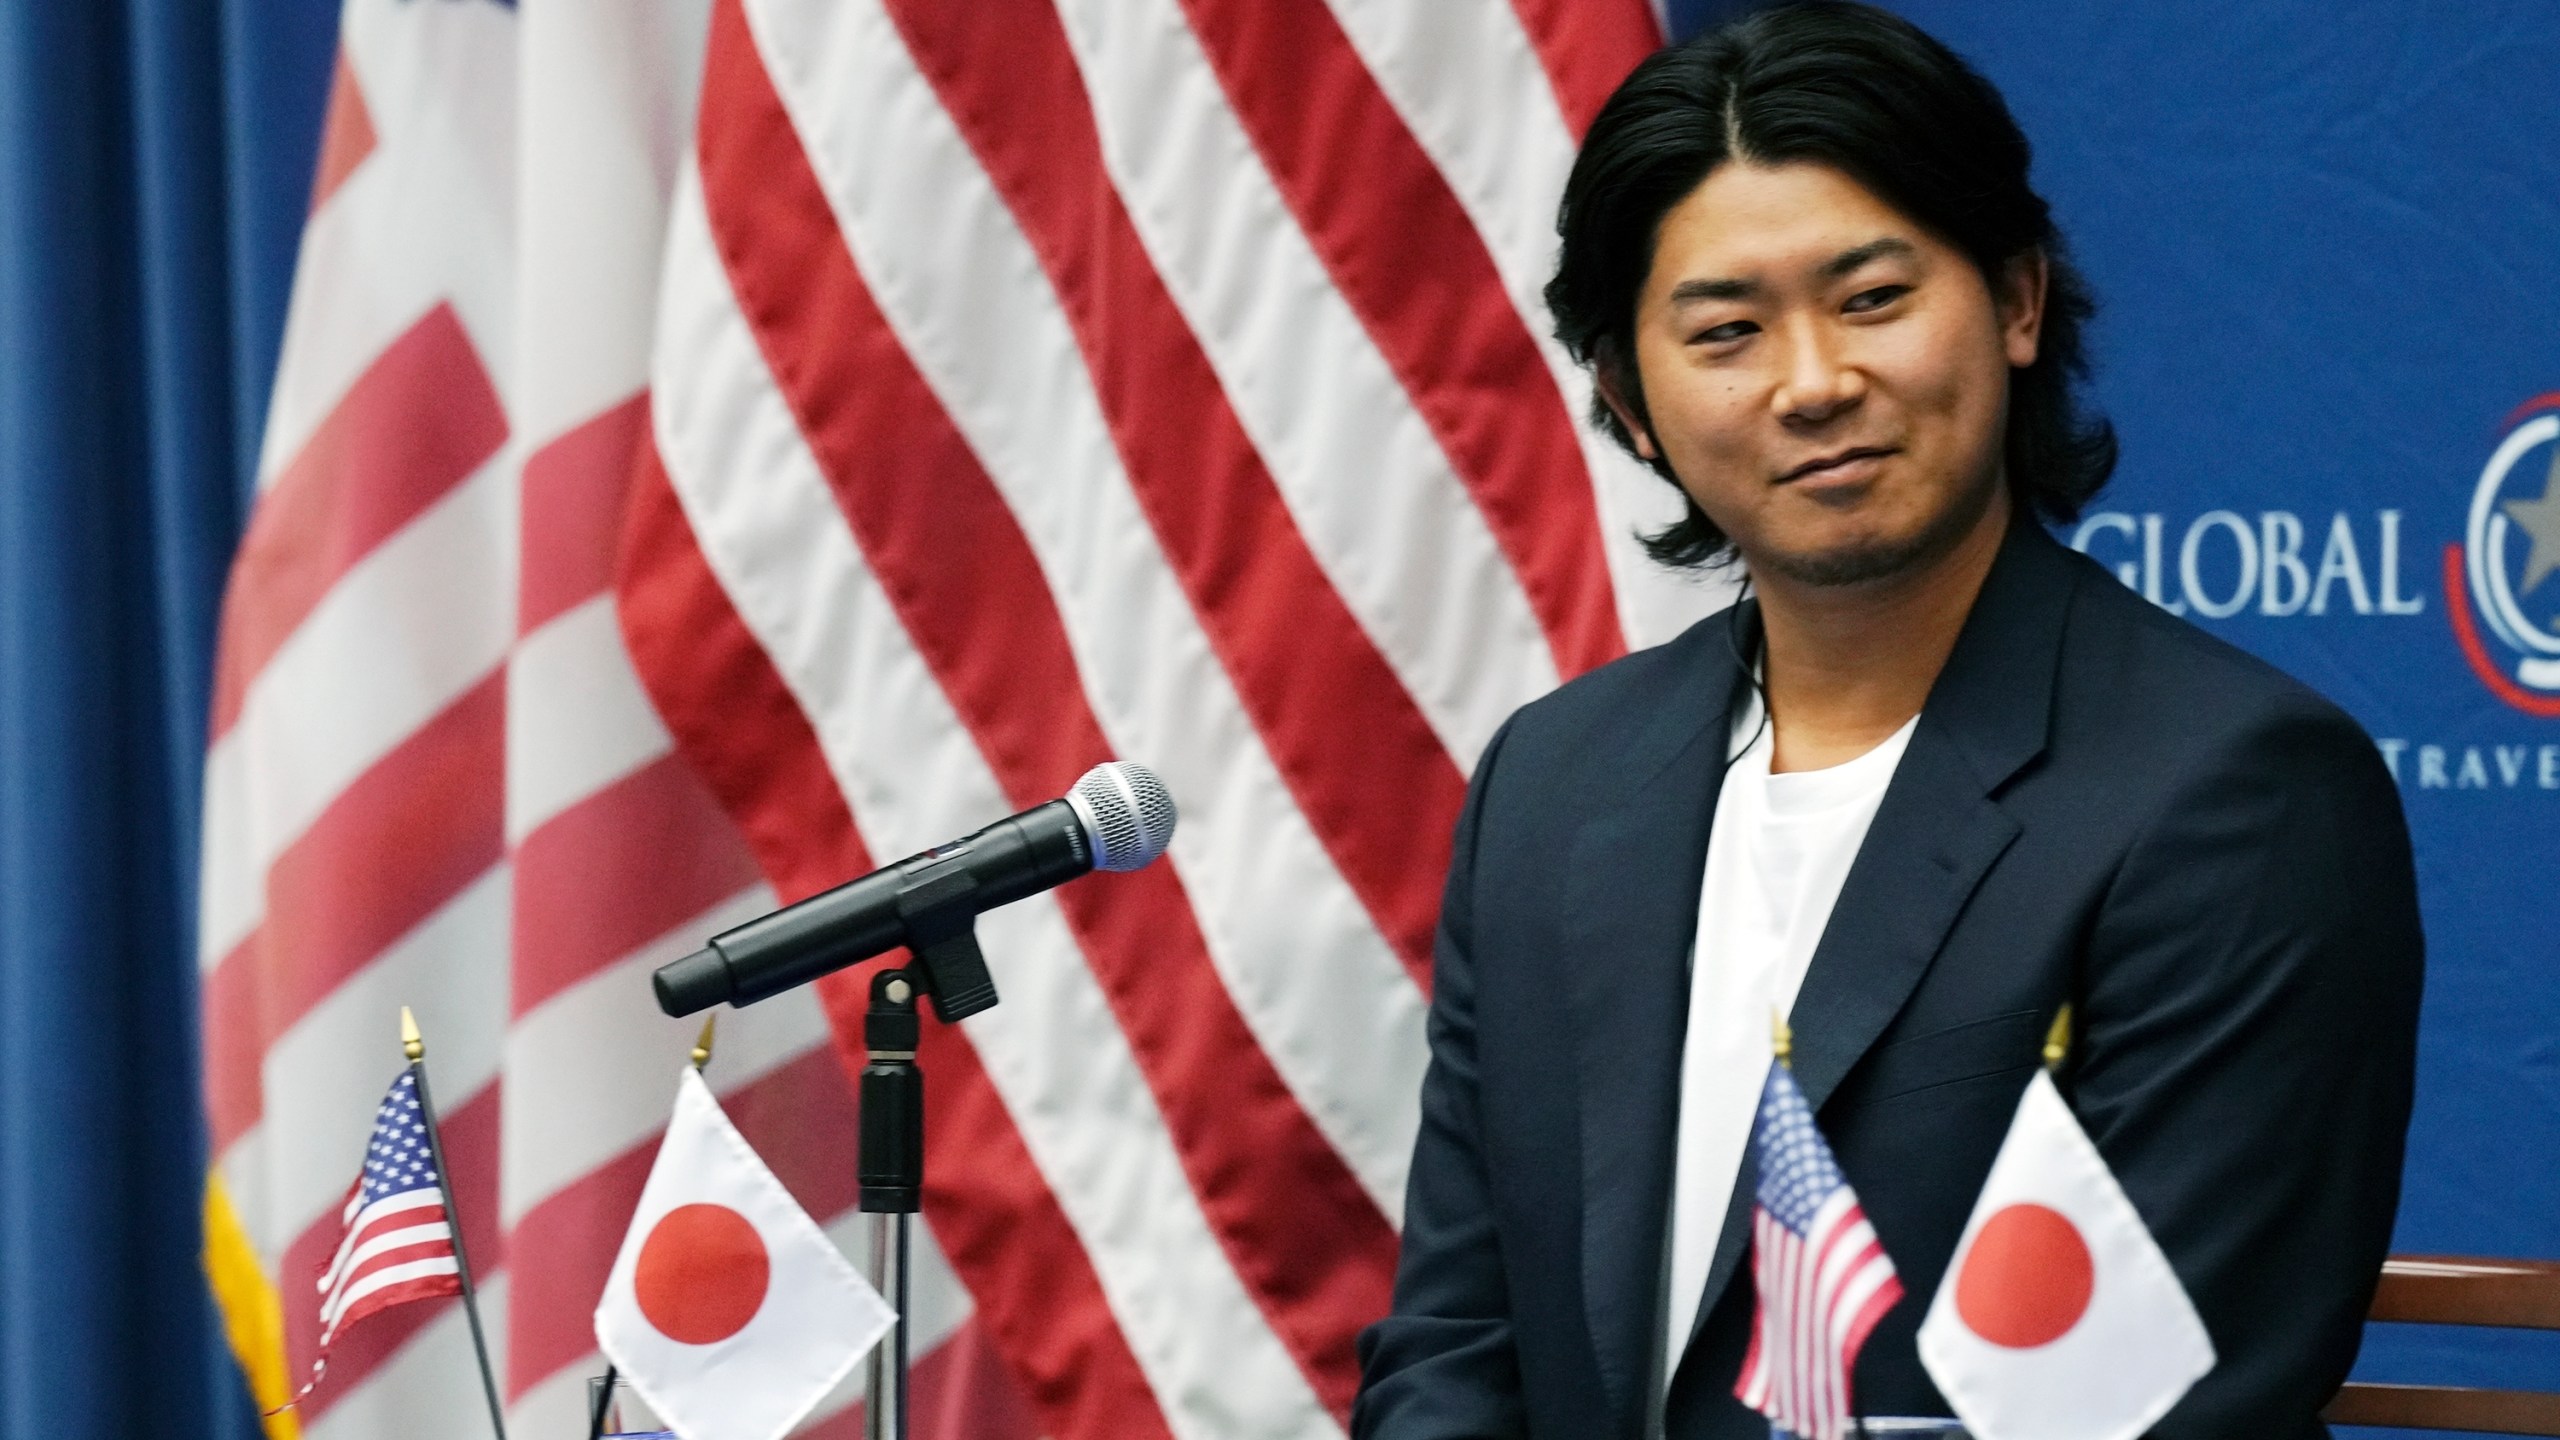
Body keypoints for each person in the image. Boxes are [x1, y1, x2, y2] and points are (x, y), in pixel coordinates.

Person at [1350, 5, 2424, 1438]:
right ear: (1631, 403)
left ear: (2019, 302)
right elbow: (1456, 1347)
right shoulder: (1557, 779)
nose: (1814, 383)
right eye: (1728, 331)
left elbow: (2149, 1411)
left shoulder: (2234, 794)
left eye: (1871, 299)